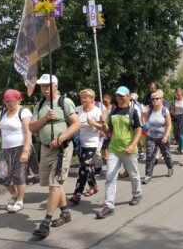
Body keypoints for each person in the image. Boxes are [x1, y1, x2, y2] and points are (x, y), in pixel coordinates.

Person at [30, 74, 81, 238]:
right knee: (53, 183)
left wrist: (60, 139)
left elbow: (77, 123)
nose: (44, 88)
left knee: (54, 184)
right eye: (42, 86)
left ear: (56, 86)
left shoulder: (64, 102)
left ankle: (45, 223)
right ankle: (65, 213)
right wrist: (45, 118)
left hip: (62, 149)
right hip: (45, 149)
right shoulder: (40, 105)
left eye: (48, 85)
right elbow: (31, 127)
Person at [96, 86, 143, 219]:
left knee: (133, 175)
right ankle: (108, 206)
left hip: (129, 150)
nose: (119, 98)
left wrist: (132, 145)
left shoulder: (133, 111)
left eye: (122, 96)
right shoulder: (113, 110)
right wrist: (103, 121)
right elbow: (107, 131)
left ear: (128, 96)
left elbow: (138, 131)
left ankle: (137, 193)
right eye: (117, 95)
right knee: (110, 177)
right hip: (114, 149)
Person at [0, 89, 33, 213]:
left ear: (18, 100)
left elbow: (28, 132)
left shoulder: (24, 112)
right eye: (6, 101)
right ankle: (13, 194)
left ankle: (20, 200)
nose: (8, 104)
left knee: (19, 175)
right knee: (1, 175)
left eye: (11, 102)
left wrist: (25, 151)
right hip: (6, 149)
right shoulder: (2, 112)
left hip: (21, 147)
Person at [69, 89, 103, 205]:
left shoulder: (97, 111)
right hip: (80, 144)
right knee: (87, 167)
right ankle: (93, 186)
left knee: (84, 166)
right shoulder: (78, 110)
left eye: (86, 98)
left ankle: (77, 194)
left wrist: (94, 123)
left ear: (92, 99)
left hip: (92, 143)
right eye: (82, 98)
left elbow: (103, 128)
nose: (83, 100)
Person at [142, 90, 174, 184]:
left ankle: (171, 167)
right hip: (151, 136)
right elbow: (143, 123)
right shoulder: (150, 110)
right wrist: (143, 114)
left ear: (161, 100)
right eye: (153, 99)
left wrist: (166, 136)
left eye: (157, 99)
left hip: (162, 136)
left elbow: (169, 125)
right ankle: (148, 175)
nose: (154, 101)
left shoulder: (164, 110)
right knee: (149, 155)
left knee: (166, 154)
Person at [171, 88, 183, 154]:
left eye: (179, 92)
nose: (178, 93)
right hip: (176, 117)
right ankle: (180, 144)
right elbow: (173, 110)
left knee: (181, 132)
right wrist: (170, 116)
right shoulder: (175, 100)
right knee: (175, 133)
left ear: (181, 92)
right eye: (176, 92)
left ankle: (181, 147)